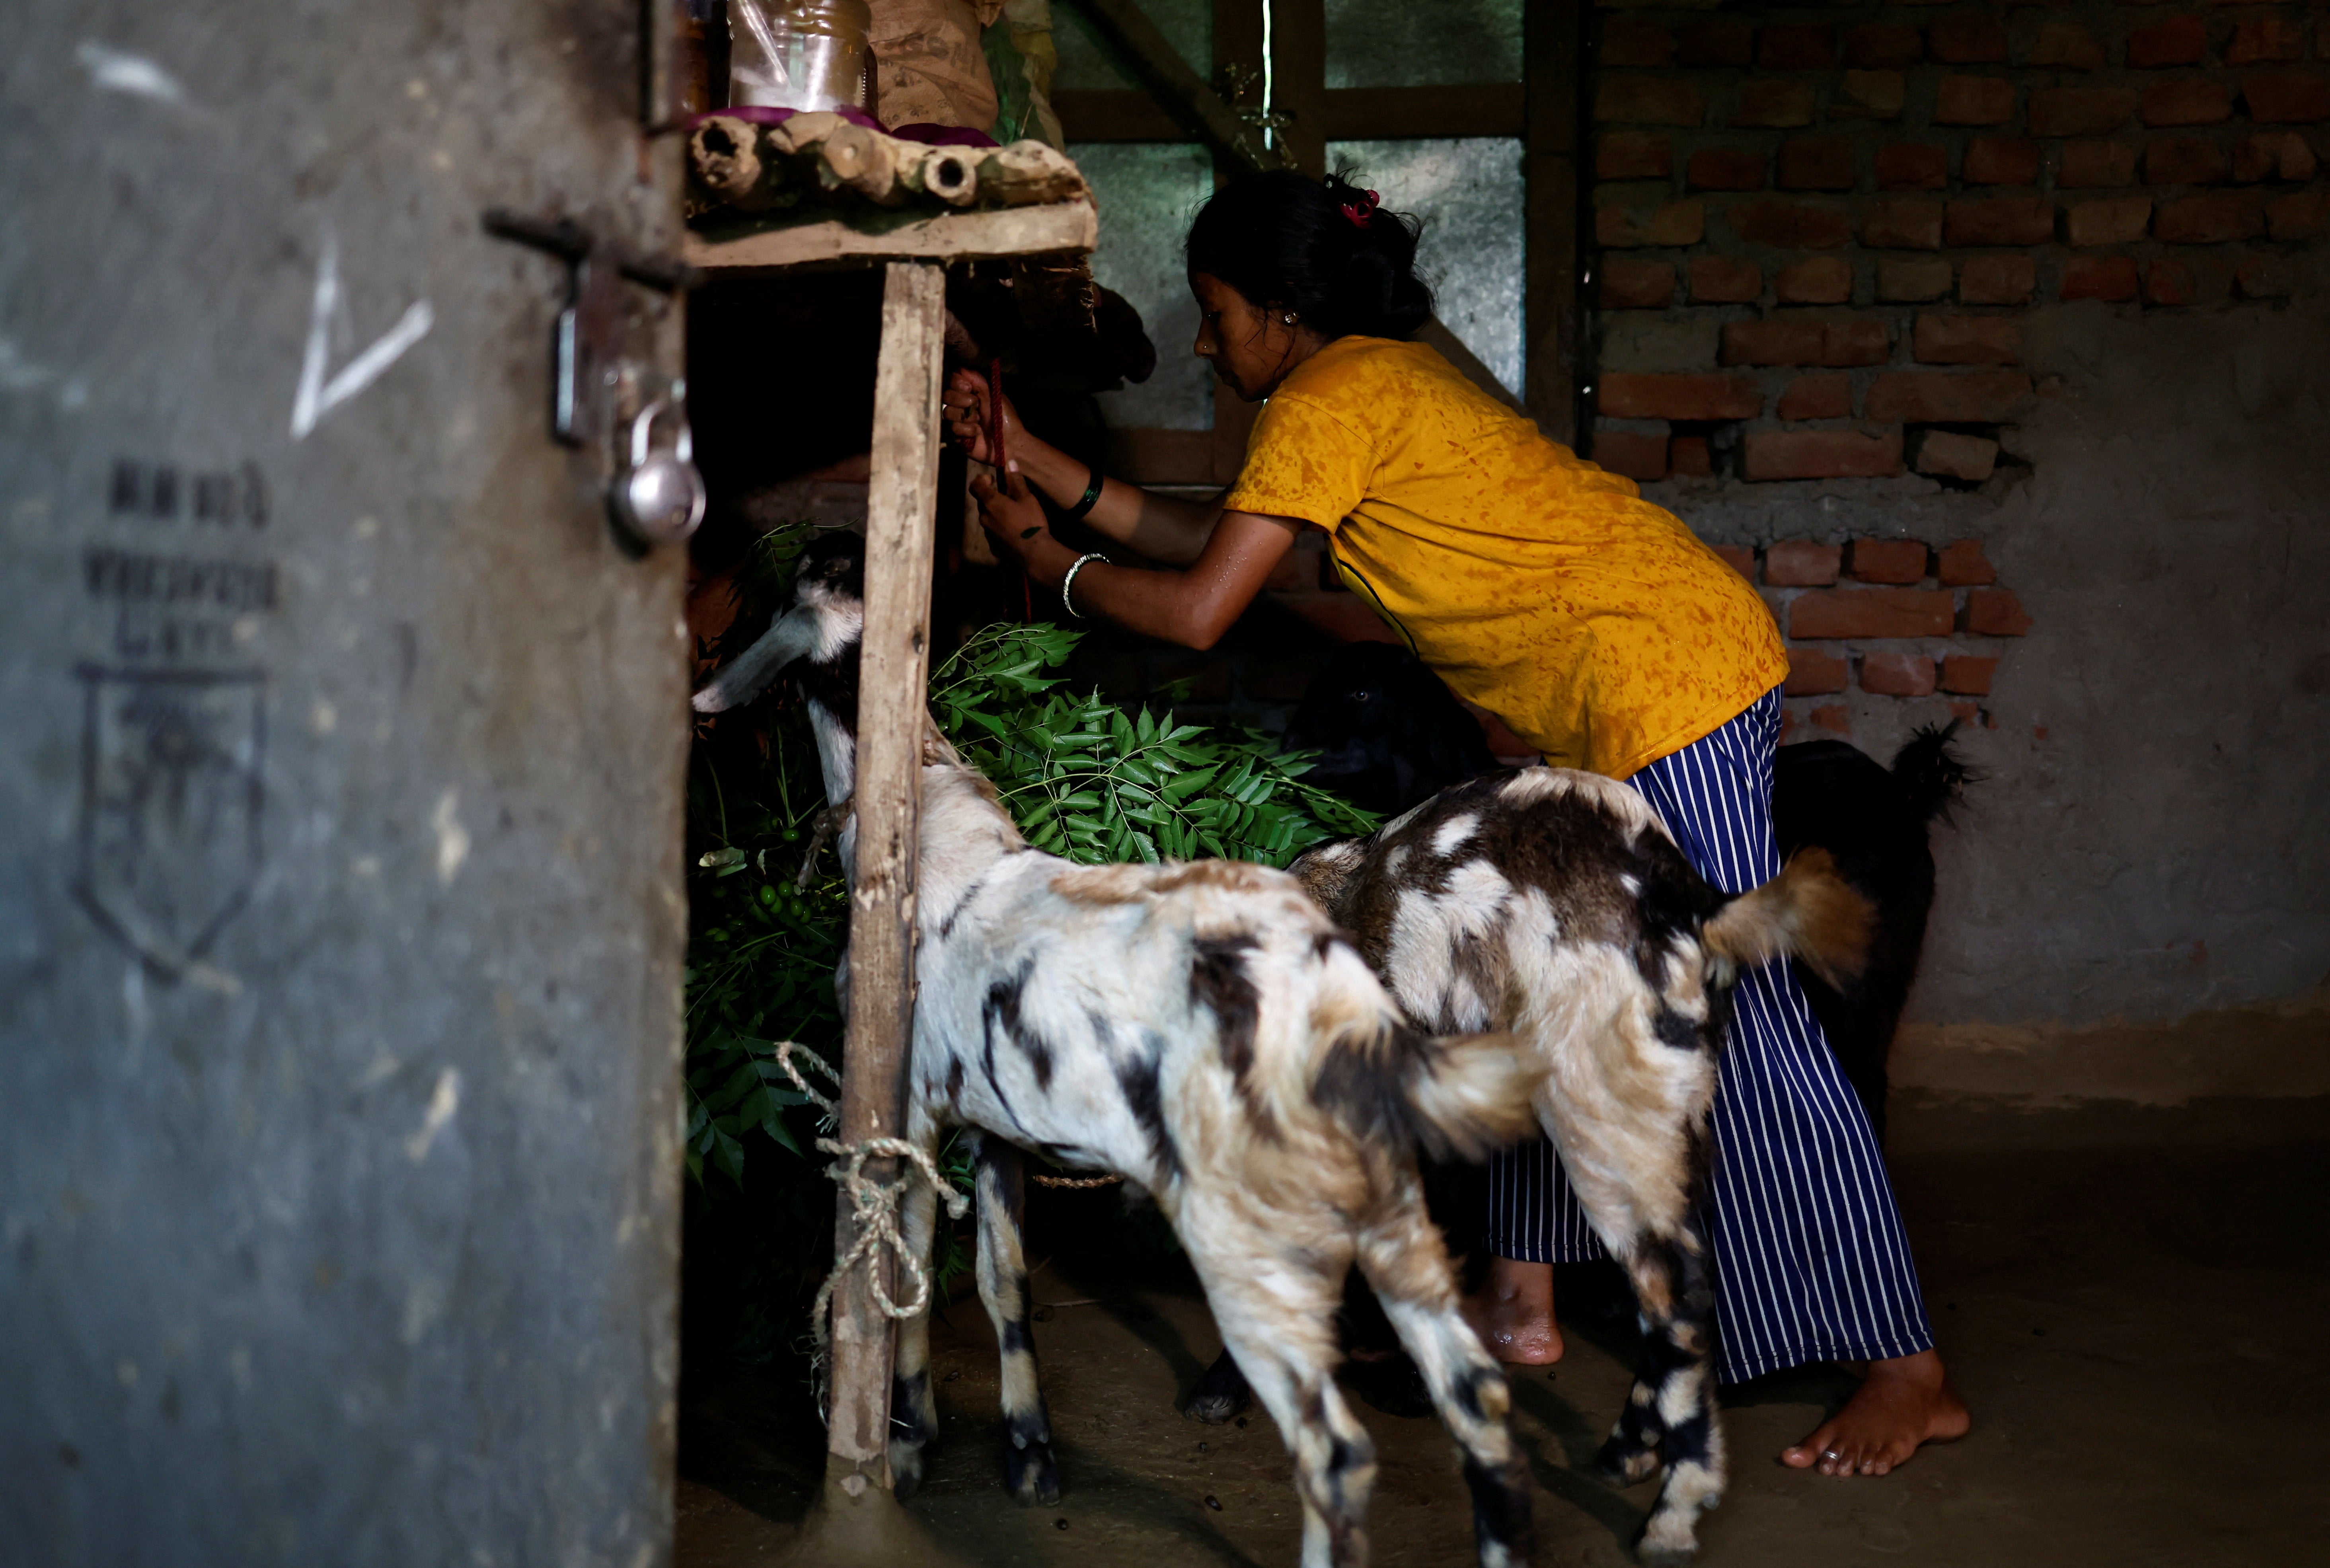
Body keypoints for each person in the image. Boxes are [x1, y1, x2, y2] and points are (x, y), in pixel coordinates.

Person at [941, 168, 1969, 1478]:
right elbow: (1222, 543)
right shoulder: (1360, 390)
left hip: (1672, 685)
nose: (1203, 342)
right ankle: (1523, 1303)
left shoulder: (1332, 396)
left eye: (1214, 312)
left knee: (1740, 1017)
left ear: (1280, 310)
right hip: (1611, 698)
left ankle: (1906, 1364)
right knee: (1531, 985)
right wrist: (1035, 466)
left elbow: (1205, 606)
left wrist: (1054, 569)